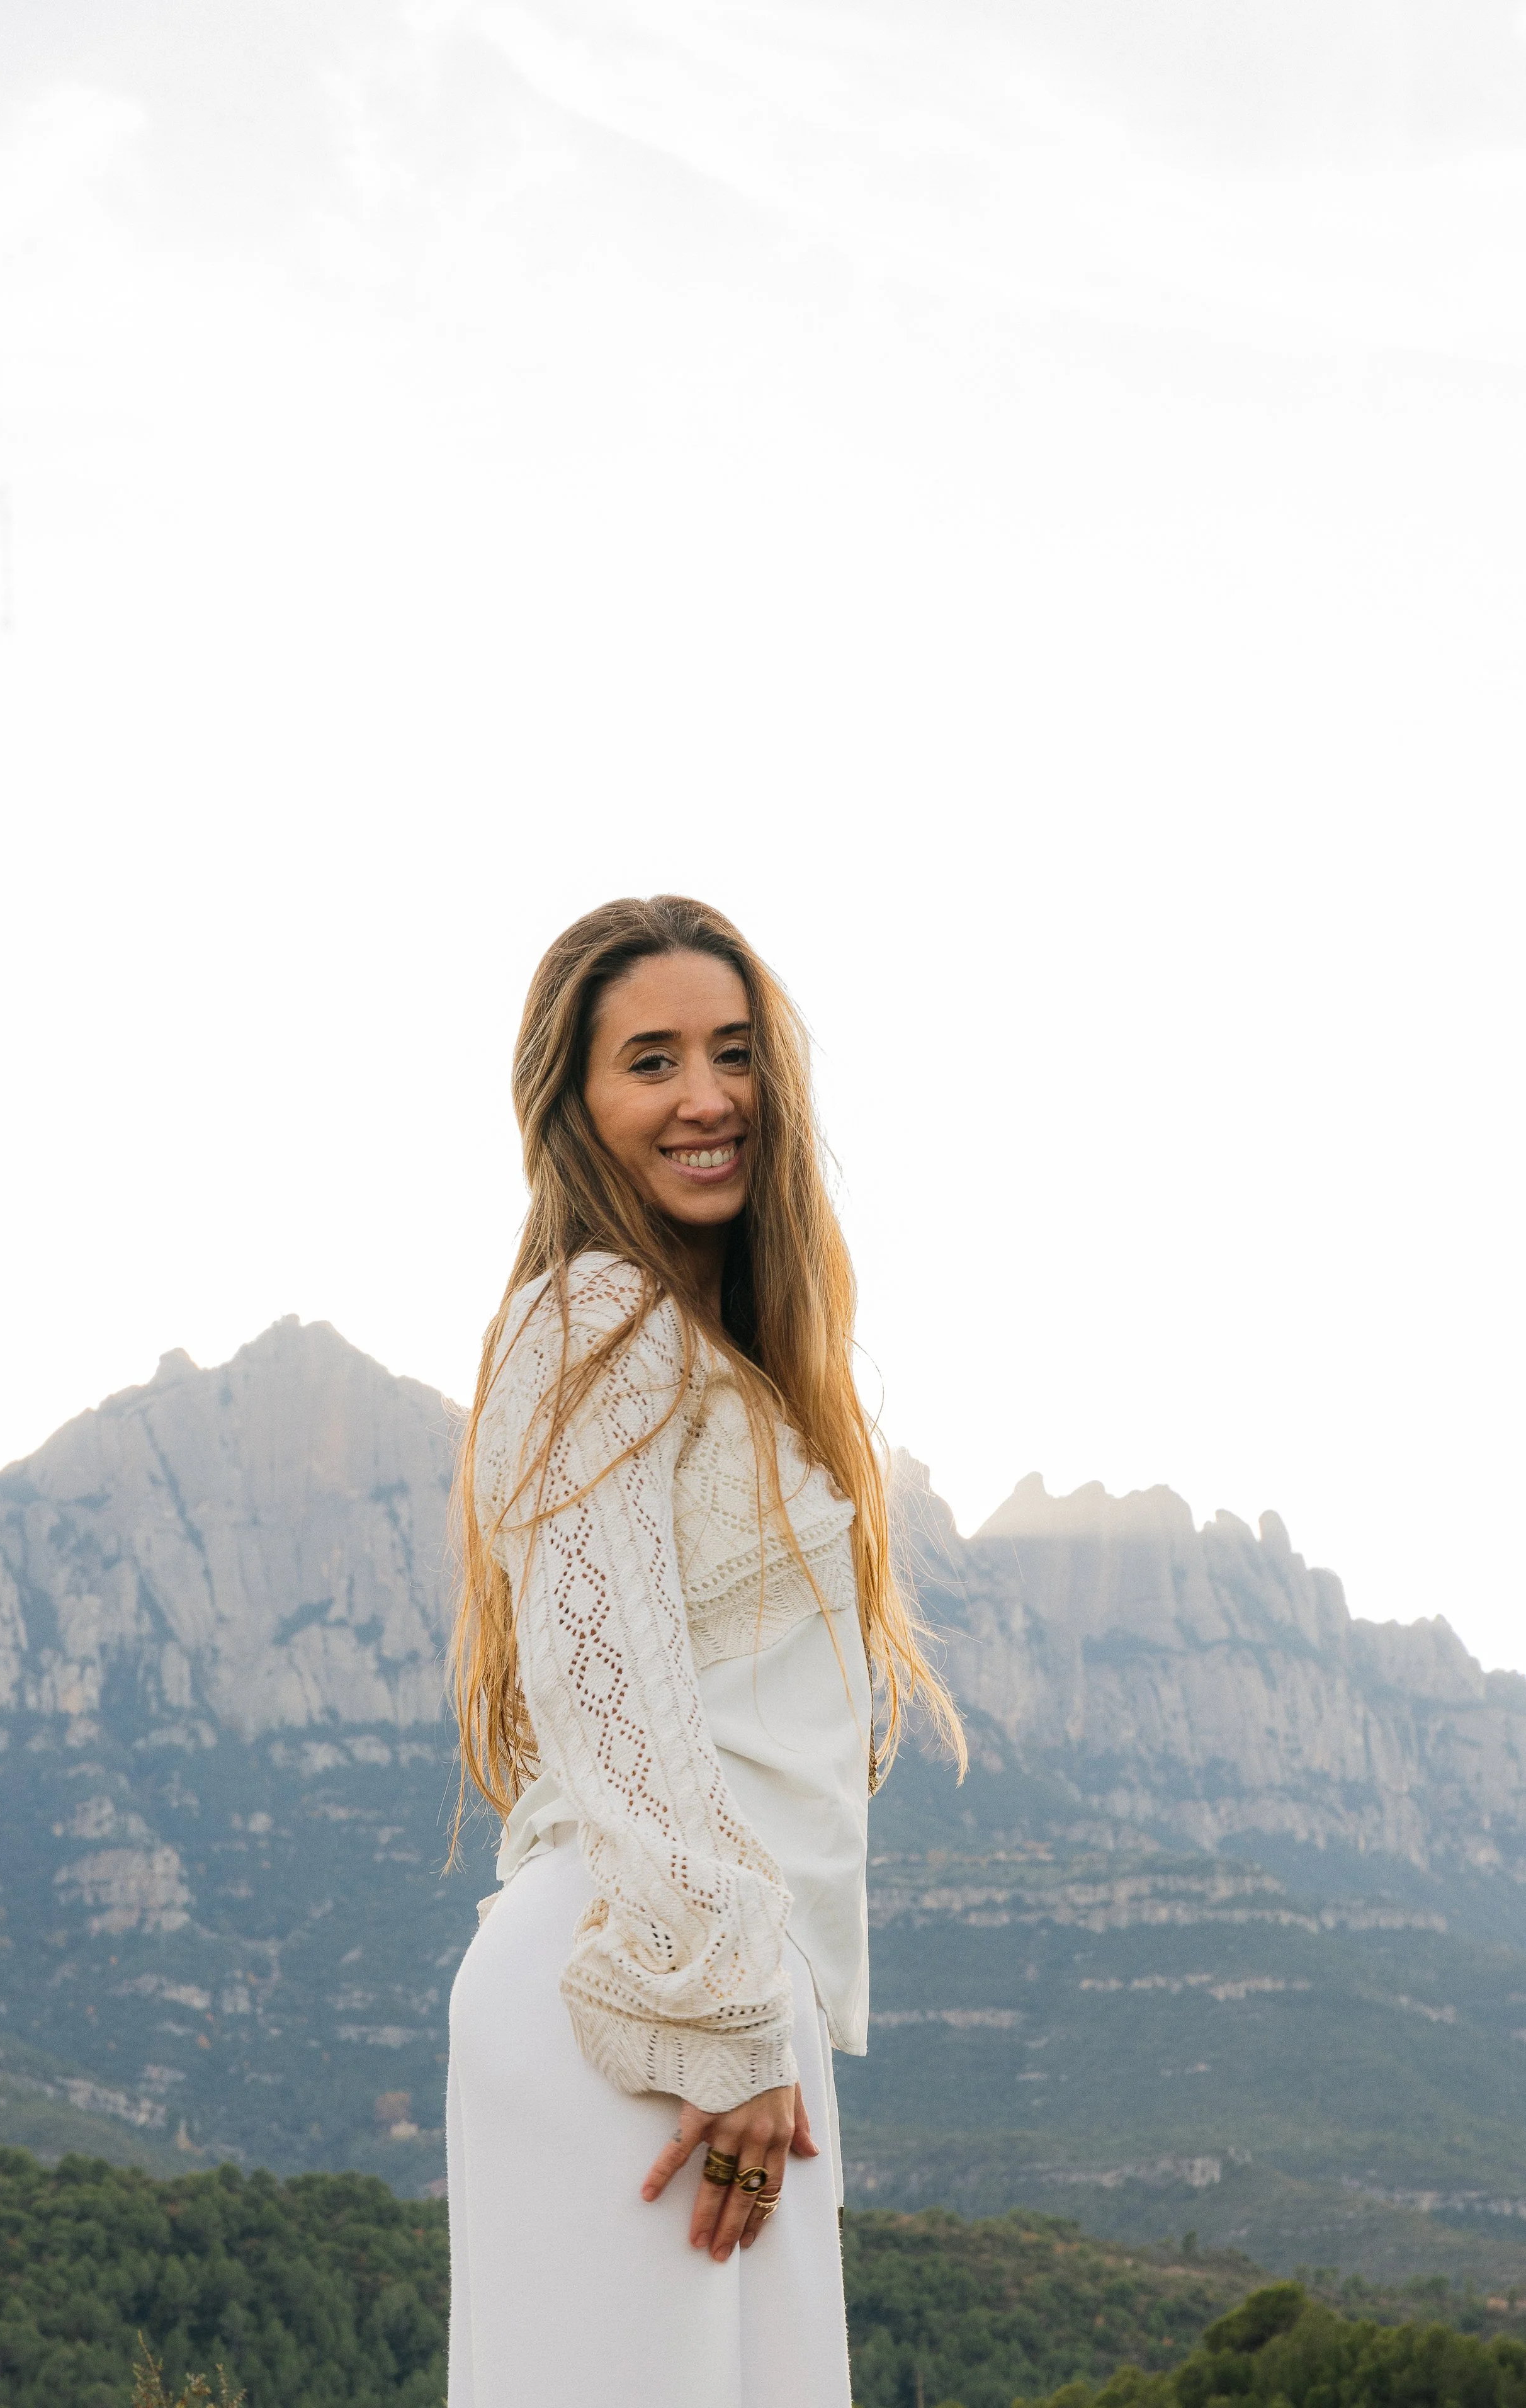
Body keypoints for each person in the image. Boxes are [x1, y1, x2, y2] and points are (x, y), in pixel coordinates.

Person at [443, 894, 964, 2407]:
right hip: (658, 1991)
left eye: (732, 1053)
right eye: (651, 1060)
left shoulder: (711, 1350)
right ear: (572, 1103)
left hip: (704, 1986)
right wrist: (727, 2013)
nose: (704, 1096)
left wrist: (743, 2008)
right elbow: (607, 1691)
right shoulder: (592, 1314)